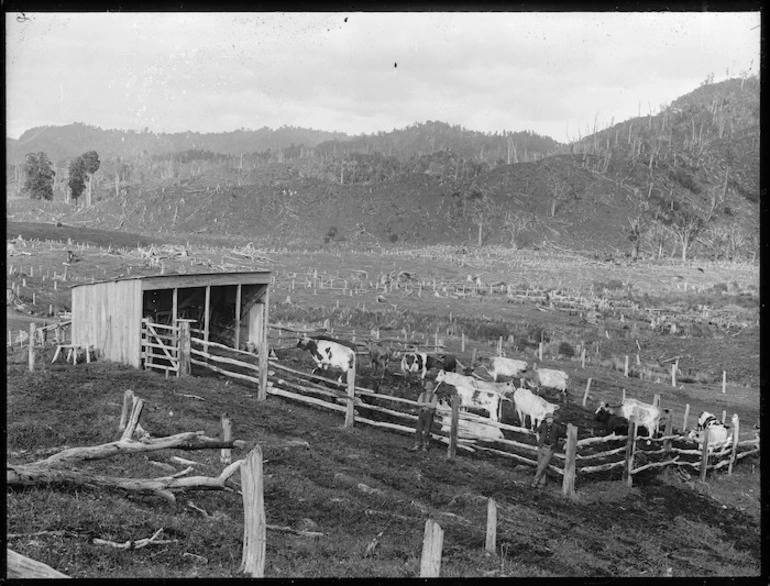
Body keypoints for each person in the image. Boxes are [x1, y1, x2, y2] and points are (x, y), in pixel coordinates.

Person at [531, 411, 564, 488]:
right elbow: (536, 431)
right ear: (545, 420)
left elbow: (563, 435)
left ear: (552, 420)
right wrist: (539, 440)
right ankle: (542, 483)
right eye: (548, 419)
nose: (549, 421)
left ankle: (535, 482)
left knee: (541, 467)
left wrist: (557, 442)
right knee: (541, 465)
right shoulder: (542, 426)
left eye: (551, 419)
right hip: (541, 447)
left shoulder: (557, 427)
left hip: (549, 449)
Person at [410, 380, 438, 452]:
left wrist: (424, 404)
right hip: (422, 413)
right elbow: (419, 403)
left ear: (432, 389)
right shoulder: (422, 394)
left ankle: (425, 445)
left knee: (427, 430)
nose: (429, 390)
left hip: (429, 414)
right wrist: (427, 404)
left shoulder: (434, 396)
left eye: (430, 389)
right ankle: (417, 444)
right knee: (418, 429)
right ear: (425, 388)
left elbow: (433, 406)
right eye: (428, 388)